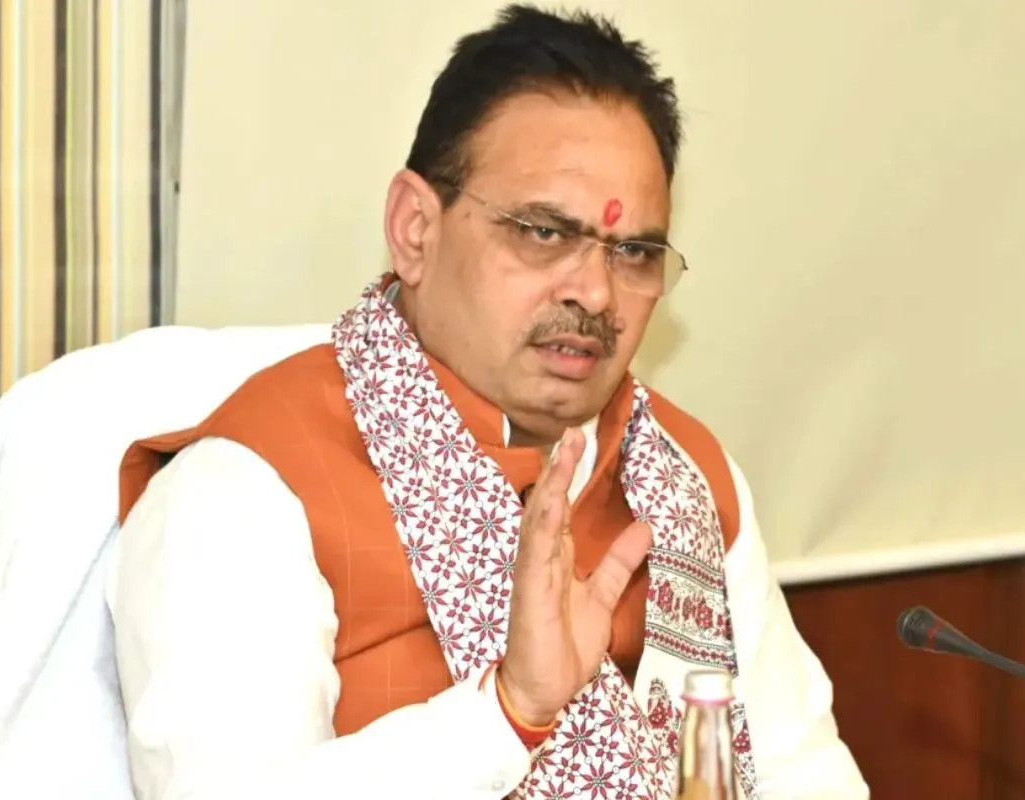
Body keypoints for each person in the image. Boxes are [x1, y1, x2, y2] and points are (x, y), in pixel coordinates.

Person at [111, 5, 868, 799]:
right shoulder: (245, 489)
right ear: (415, 229)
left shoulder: (684, 481)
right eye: (543, 232)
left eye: (633, 251)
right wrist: (510, 712)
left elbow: (803, 771)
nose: (595, 292)